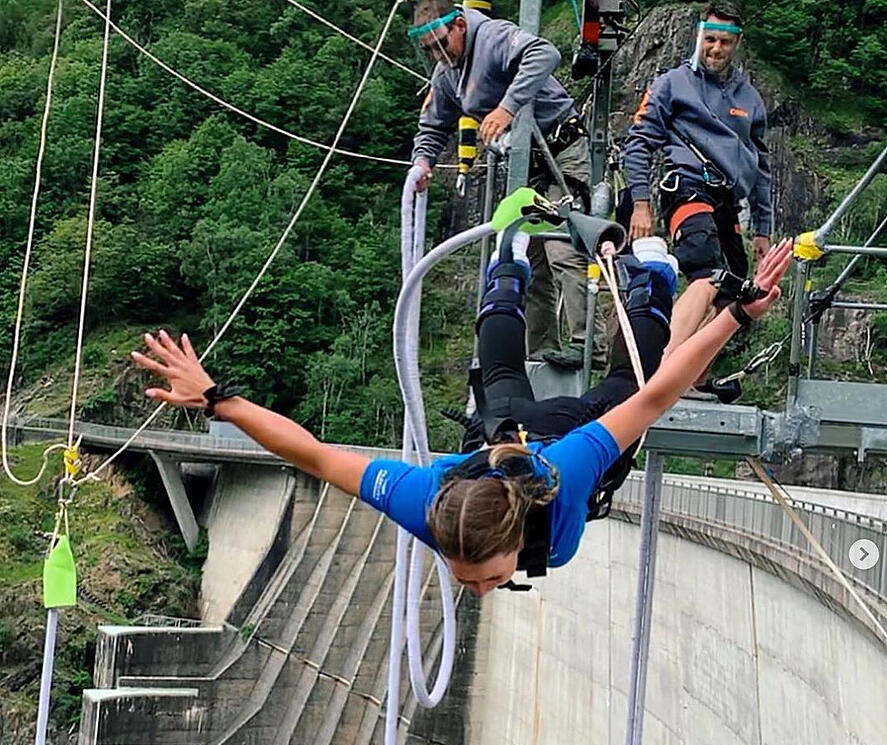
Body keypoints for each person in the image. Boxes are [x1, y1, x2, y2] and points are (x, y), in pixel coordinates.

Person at [132, 238, 793, 597]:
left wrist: (737, 316)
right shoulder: (440, 501)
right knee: (528, 385)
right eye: (478, 578)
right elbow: (312, 455)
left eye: (477, 576)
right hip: (530, 448)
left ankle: (599, 272)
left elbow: (651, 400)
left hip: (532, 439)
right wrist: (220, 401)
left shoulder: (448, 497)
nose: (478, 590)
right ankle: (534, 270)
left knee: (610, 381)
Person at [410, 0, 601, 369]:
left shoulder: (493, 37)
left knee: (563, 245)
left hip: (560, 149)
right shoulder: (447, 74)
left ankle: (586, 345)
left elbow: (544, 53)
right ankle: (540, 348)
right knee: (527, 252)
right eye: (429, 50)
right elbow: (434, 124)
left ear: (460, 26)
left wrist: (507, 107)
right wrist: (423, 161)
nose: (438, 54)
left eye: (441, 44)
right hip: (524, 162)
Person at [622, 2, 772, 381]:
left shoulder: (749, 98)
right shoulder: (672, 83)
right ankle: (657, 373)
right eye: (709, 40)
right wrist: (640, 203)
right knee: (707, 275)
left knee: (735, 295)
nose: (715, 49)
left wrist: (762, 227)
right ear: (698, 37)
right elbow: (638, 144)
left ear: (736, 43)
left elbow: (761, 165)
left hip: (727, 200)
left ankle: (692, 379)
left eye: (724, 42)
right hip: (686, 185)